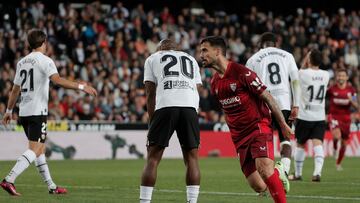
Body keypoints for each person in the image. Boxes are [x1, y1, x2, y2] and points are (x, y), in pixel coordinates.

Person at [1, 29, 97, 196]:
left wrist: (9, 110)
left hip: (24, 112)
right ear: (44, 43)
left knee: (40, 150)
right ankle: (9, 180)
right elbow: (57, 80)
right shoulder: (45, 61)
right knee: (35, 149)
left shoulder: (22, 62)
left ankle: (52, 187)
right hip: (37, 111)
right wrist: (82, 87)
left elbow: (15, 90)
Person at [200, 36, 292, 203]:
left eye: (205, 50)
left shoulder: (242, 72)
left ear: (217, 51)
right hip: (239, 137)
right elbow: (227, 109)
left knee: (264, 170)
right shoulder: (214, 83)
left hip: (258, 126)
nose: (201, 55)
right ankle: (279, 173)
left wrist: (283, 124)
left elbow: (268, 97)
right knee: (258, 185)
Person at [140, 39, 202, 203]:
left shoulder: (153, 58)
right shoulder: (190, 59)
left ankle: (145, 201)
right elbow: (197, 89)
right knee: (192, 159)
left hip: (166, 106)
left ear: (161, 48)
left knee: (153, 159)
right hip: (189, 107)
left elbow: (150, 93)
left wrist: (152, 122)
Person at [246, 32, 300, 177]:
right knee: (285, 139)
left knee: (264, 140)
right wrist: (296, 105)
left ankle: (267, 176)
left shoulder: (253, 59)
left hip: (263, 104)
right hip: (284, 103)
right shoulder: (287, 55)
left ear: (260, 44)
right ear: (276, 43)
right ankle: (285, 171)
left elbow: (248, 87)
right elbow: (295, 81)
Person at [290, 50, 329, 182]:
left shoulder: (303, 73)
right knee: (318, 144)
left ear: (309, 60)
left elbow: (298, 72)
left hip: (305, 116)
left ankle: (298, 174)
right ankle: (317, 173)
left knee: (300, 144)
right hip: (319, 116)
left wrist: (306, 58)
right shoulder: (326, 74)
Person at [327, 69, 359, 171]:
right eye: (339, 75)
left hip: (346, 119)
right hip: (334, 116)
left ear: (346, 78)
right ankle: (335, 147)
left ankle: (338, 163)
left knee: (344, 143)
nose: (341, 77)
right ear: (337, 77)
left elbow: (356, 105)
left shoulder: (351, 90)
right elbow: (323, 98)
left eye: (343, 76)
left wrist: (351, 100)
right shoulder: (332, 89)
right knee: (337, 136)